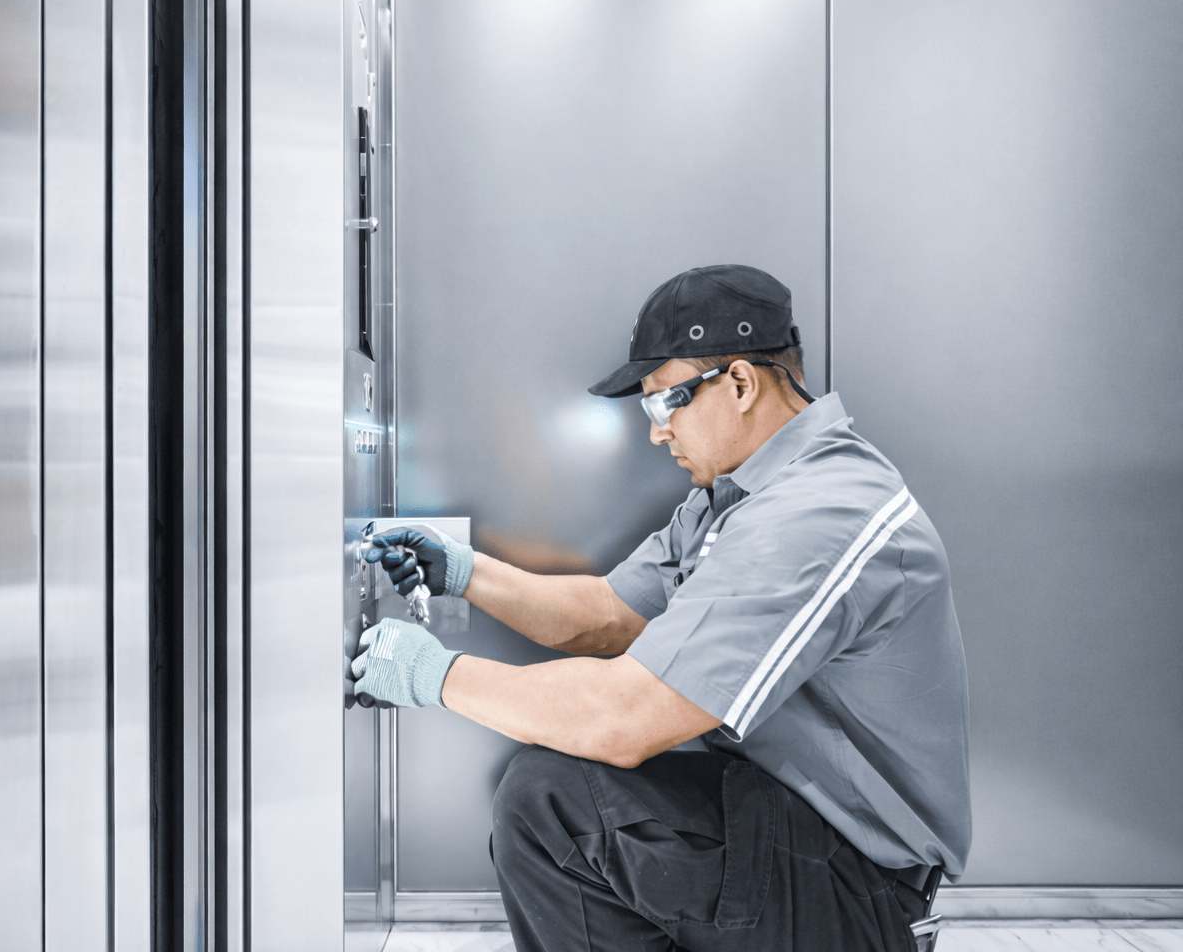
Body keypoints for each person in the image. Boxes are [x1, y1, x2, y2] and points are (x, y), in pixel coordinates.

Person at [351, 264, 971, 952]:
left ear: (739, 383)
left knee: (555, 803)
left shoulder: (817, 518)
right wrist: (463, 572)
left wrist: (429, 676)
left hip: (861, 888)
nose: (656, 432)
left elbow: (627, 719)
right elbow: (609, 612)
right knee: (550, 785)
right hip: (792, 826)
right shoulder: (737, 499)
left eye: (663, 403)